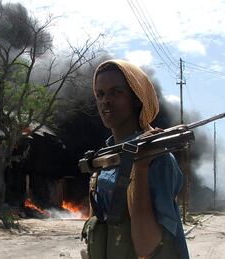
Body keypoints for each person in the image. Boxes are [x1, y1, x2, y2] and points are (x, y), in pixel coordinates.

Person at [81, 59, 189, 259]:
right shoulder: (105, 158)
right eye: (100, 94)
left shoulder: (157, 158)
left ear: (137, 99)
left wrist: (139, 165)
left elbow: (146, 247)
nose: (106, 101)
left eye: (116, 92)